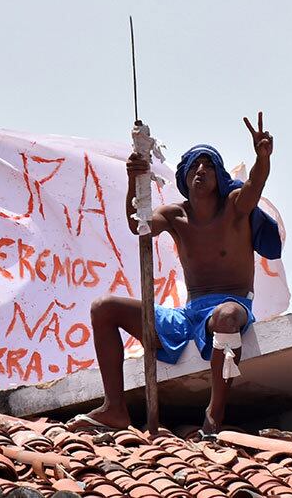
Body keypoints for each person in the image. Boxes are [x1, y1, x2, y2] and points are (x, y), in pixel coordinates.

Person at [69, 113, 279, 434]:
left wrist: (262, 158)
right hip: (188, 314)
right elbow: (138, 226)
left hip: (230, 306)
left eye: (208, 165)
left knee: (225, 317)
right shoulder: (174, 214)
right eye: (194, 165)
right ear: (183, 176)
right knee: (103, 308)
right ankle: (115, 409)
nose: (201, 170)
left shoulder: (235, 205)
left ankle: (213, 416)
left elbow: (255, 184)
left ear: (220, 175)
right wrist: (133, 181)